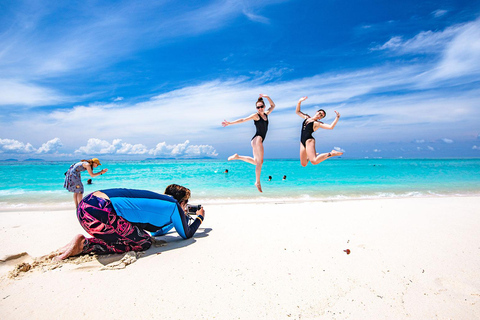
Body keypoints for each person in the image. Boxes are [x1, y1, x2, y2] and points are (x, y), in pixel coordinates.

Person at [55, 184, 205, 260]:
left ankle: (78, 244)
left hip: (86, 206)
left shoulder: (161, 202)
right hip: (103, 211)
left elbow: (157, 231)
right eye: (187, 202)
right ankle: (86, 245)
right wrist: (199, 217)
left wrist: (179, 220)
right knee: (144, 242)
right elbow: (187, 234)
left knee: (138, 234)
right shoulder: (174, 206)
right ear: (182, 202)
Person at [222, 94, 276, 192]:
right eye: (258, 107)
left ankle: (237, 157)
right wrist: (230, 123)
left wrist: (267, 97)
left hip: (256, 140)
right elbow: (243, 119)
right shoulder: (256, 115)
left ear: (264, 106)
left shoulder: (266, 114)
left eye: (261, 106)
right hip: (257, 139)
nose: (260, 108)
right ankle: (257, 182)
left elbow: (273, 106)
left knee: (256, 162)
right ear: (256, 108)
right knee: (260, 162)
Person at [296, 96, 343, 166]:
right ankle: (310, 156)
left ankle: (332, 153)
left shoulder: (317, 123)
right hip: (302, 141)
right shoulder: (307, 117)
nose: (320, 115)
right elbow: (297, 112)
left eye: (321, 116)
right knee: (304, 164)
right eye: (320, 113)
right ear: (317, 112)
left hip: (309, 140)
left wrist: (337, 118)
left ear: (321, 118)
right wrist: (299, 101)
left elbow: (330, 127)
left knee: (314, 161)